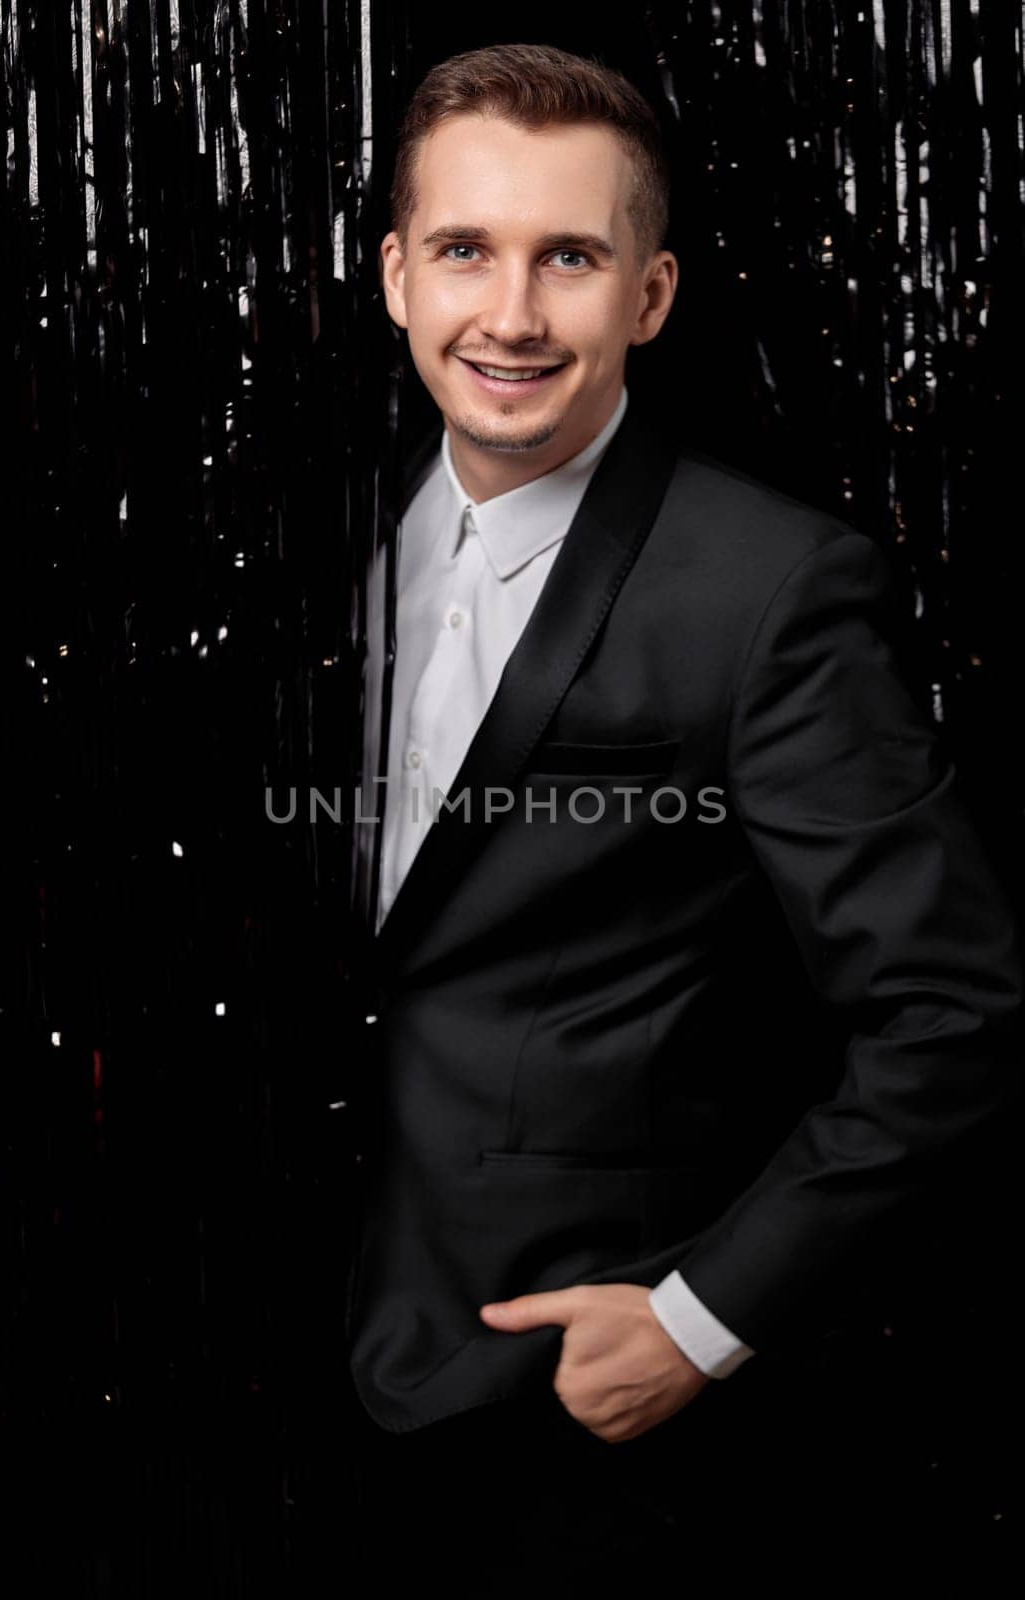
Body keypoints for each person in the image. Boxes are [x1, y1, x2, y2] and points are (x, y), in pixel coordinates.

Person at [340, 40, 1022, 1583]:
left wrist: (699, 1325)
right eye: (465, 251)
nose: (508, 316)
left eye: (568, 258)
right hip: (282, 1390)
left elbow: (953, 1012)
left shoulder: (772, 588)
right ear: (396, 275)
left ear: (646, 296)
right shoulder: (323, 535)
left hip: (579, 1417)